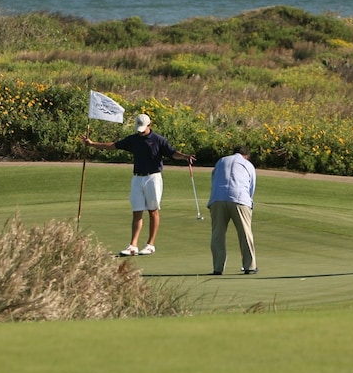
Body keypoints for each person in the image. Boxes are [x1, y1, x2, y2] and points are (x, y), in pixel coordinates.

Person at [82, 113, 195, 256]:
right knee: (137, 211)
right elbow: (114, 146)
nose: (140, 132)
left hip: (153, 178)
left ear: (149, 125)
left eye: (143, 129)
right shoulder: (133, 139)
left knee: (153, 210)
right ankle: (133, 246)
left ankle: (150, 244)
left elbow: (172, 153)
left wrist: (184, 156)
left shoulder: (158, 140)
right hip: (137, 178)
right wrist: (93, 144)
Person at [207, 147, 257, 275]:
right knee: (245, 233)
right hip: (240, 198)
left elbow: (214, 180)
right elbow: (251, 186)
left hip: (217, 198)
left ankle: (218, 267)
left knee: (217, 234)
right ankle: (249, 266)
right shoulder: (248, 164)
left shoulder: (221, 161)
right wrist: (249, 204)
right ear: (246, 155)